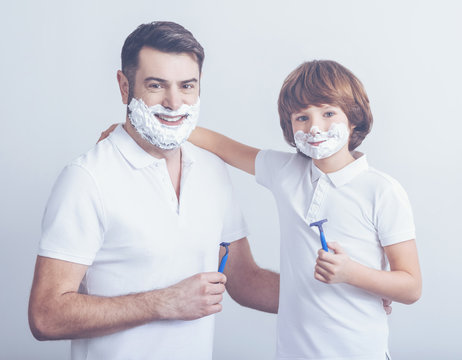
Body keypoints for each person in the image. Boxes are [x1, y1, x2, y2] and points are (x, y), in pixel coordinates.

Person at [28, 21, 278, 360]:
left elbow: (245, 280)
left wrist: (347, 291)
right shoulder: (87, 178)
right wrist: (164, 302)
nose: (174, 103)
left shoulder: (212, 169)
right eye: (156, 85)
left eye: (187, 86)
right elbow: (46, 316)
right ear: (124, 86)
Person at [189, 60, 422, 359]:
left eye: (328, 113)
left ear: (353, 118)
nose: (314, 127)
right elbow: (218, 144)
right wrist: (136, 131)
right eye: (301, 117)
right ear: (290, 126)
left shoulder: (383, 191)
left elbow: (412, 287)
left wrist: (352, 273)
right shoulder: (284, 171)